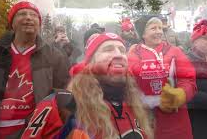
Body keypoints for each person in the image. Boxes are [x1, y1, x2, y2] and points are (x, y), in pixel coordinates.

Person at [22, 33, 153, 139]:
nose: (119, 54)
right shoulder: (60, 105)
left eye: (122, 50)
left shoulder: (136, 104)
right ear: (90, 63)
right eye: (108, 50)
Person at [0, 1, 70, 139]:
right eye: (22, 14)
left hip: (35, 131)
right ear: (12, 23)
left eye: (34, 15)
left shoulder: (54, 56)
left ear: (39, 24)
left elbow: (63, 93)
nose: (29, 18)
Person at [128, 15, 197, 139]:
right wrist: (141, 100)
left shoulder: (174, 51)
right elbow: (129, 82)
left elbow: (188, 79)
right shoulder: (134, 54)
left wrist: (181, 94)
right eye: (153, 28)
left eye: (160, 28)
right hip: (146, 119)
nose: (159, 31)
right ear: (143, 34)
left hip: (175, 118)